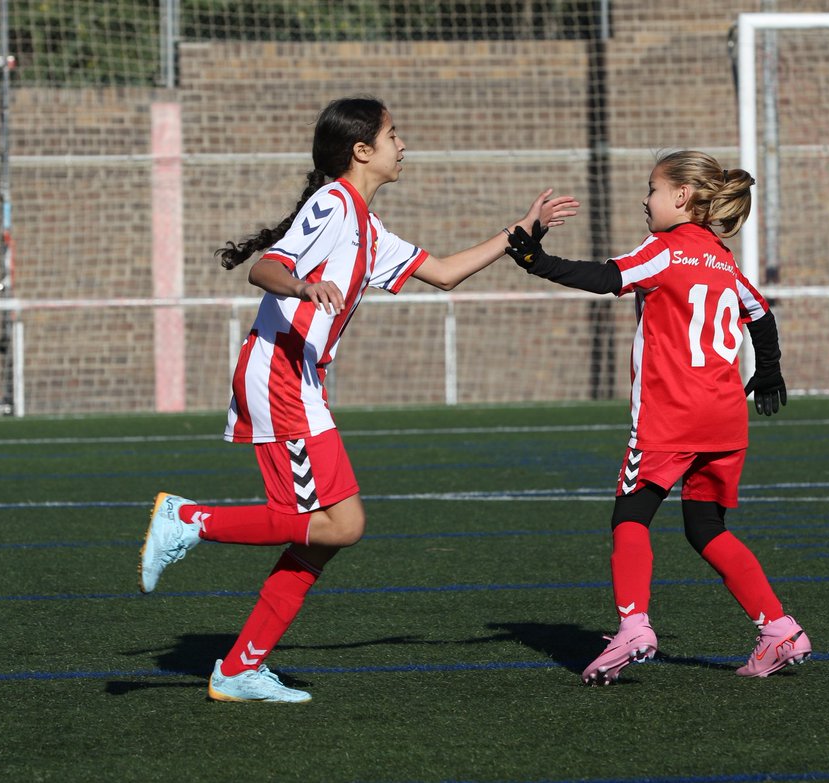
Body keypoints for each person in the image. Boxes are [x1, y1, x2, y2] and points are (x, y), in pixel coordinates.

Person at [139, 97, 578, 702]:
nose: (405, 145)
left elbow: (445, 272)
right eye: (395, 135)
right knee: (337, 525)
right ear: (362, 151)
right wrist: (301, 283)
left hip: (302, 383)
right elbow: (266, 269)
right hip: (280, 377)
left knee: (324, 535)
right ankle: (188, 521)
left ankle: (241, 667)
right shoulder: (333, 204)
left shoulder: (367, 227)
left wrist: (518, 232)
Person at [503, 149, 811, 685]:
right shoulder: (721, 258)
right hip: (724, 420)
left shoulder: (665, 250)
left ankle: (633, 627)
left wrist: (535, 260)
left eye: (651, 189)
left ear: (680, 197)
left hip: (670, 419)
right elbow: (760, 312)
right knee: (706, 527)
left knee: (630, 517)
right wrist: (770, 370)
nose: (644, 200)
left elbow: (604, 277)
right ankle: (779, 629)